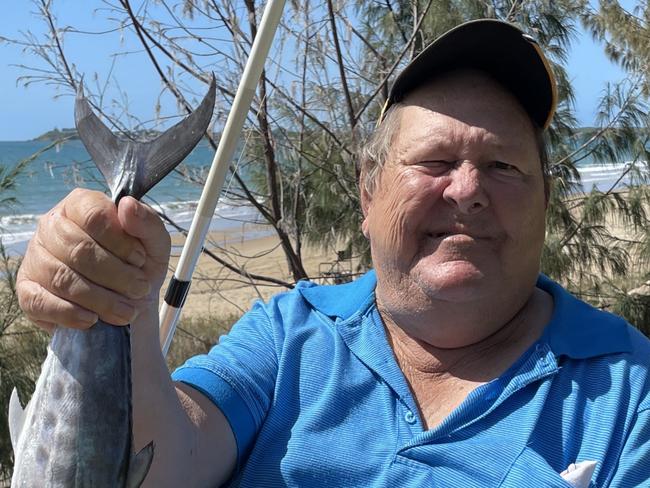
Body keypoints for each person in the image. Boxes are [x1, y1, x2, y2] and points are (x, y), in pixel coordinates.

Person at [16, 19, 650, 487]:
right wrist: (113, 294)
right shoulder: (287, 336)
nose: (469, 190)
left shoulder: (630, 395)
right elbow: (167, 461)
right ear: (367, 194)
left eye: (504, 165)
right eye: (433, 162)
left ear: (547, 199)